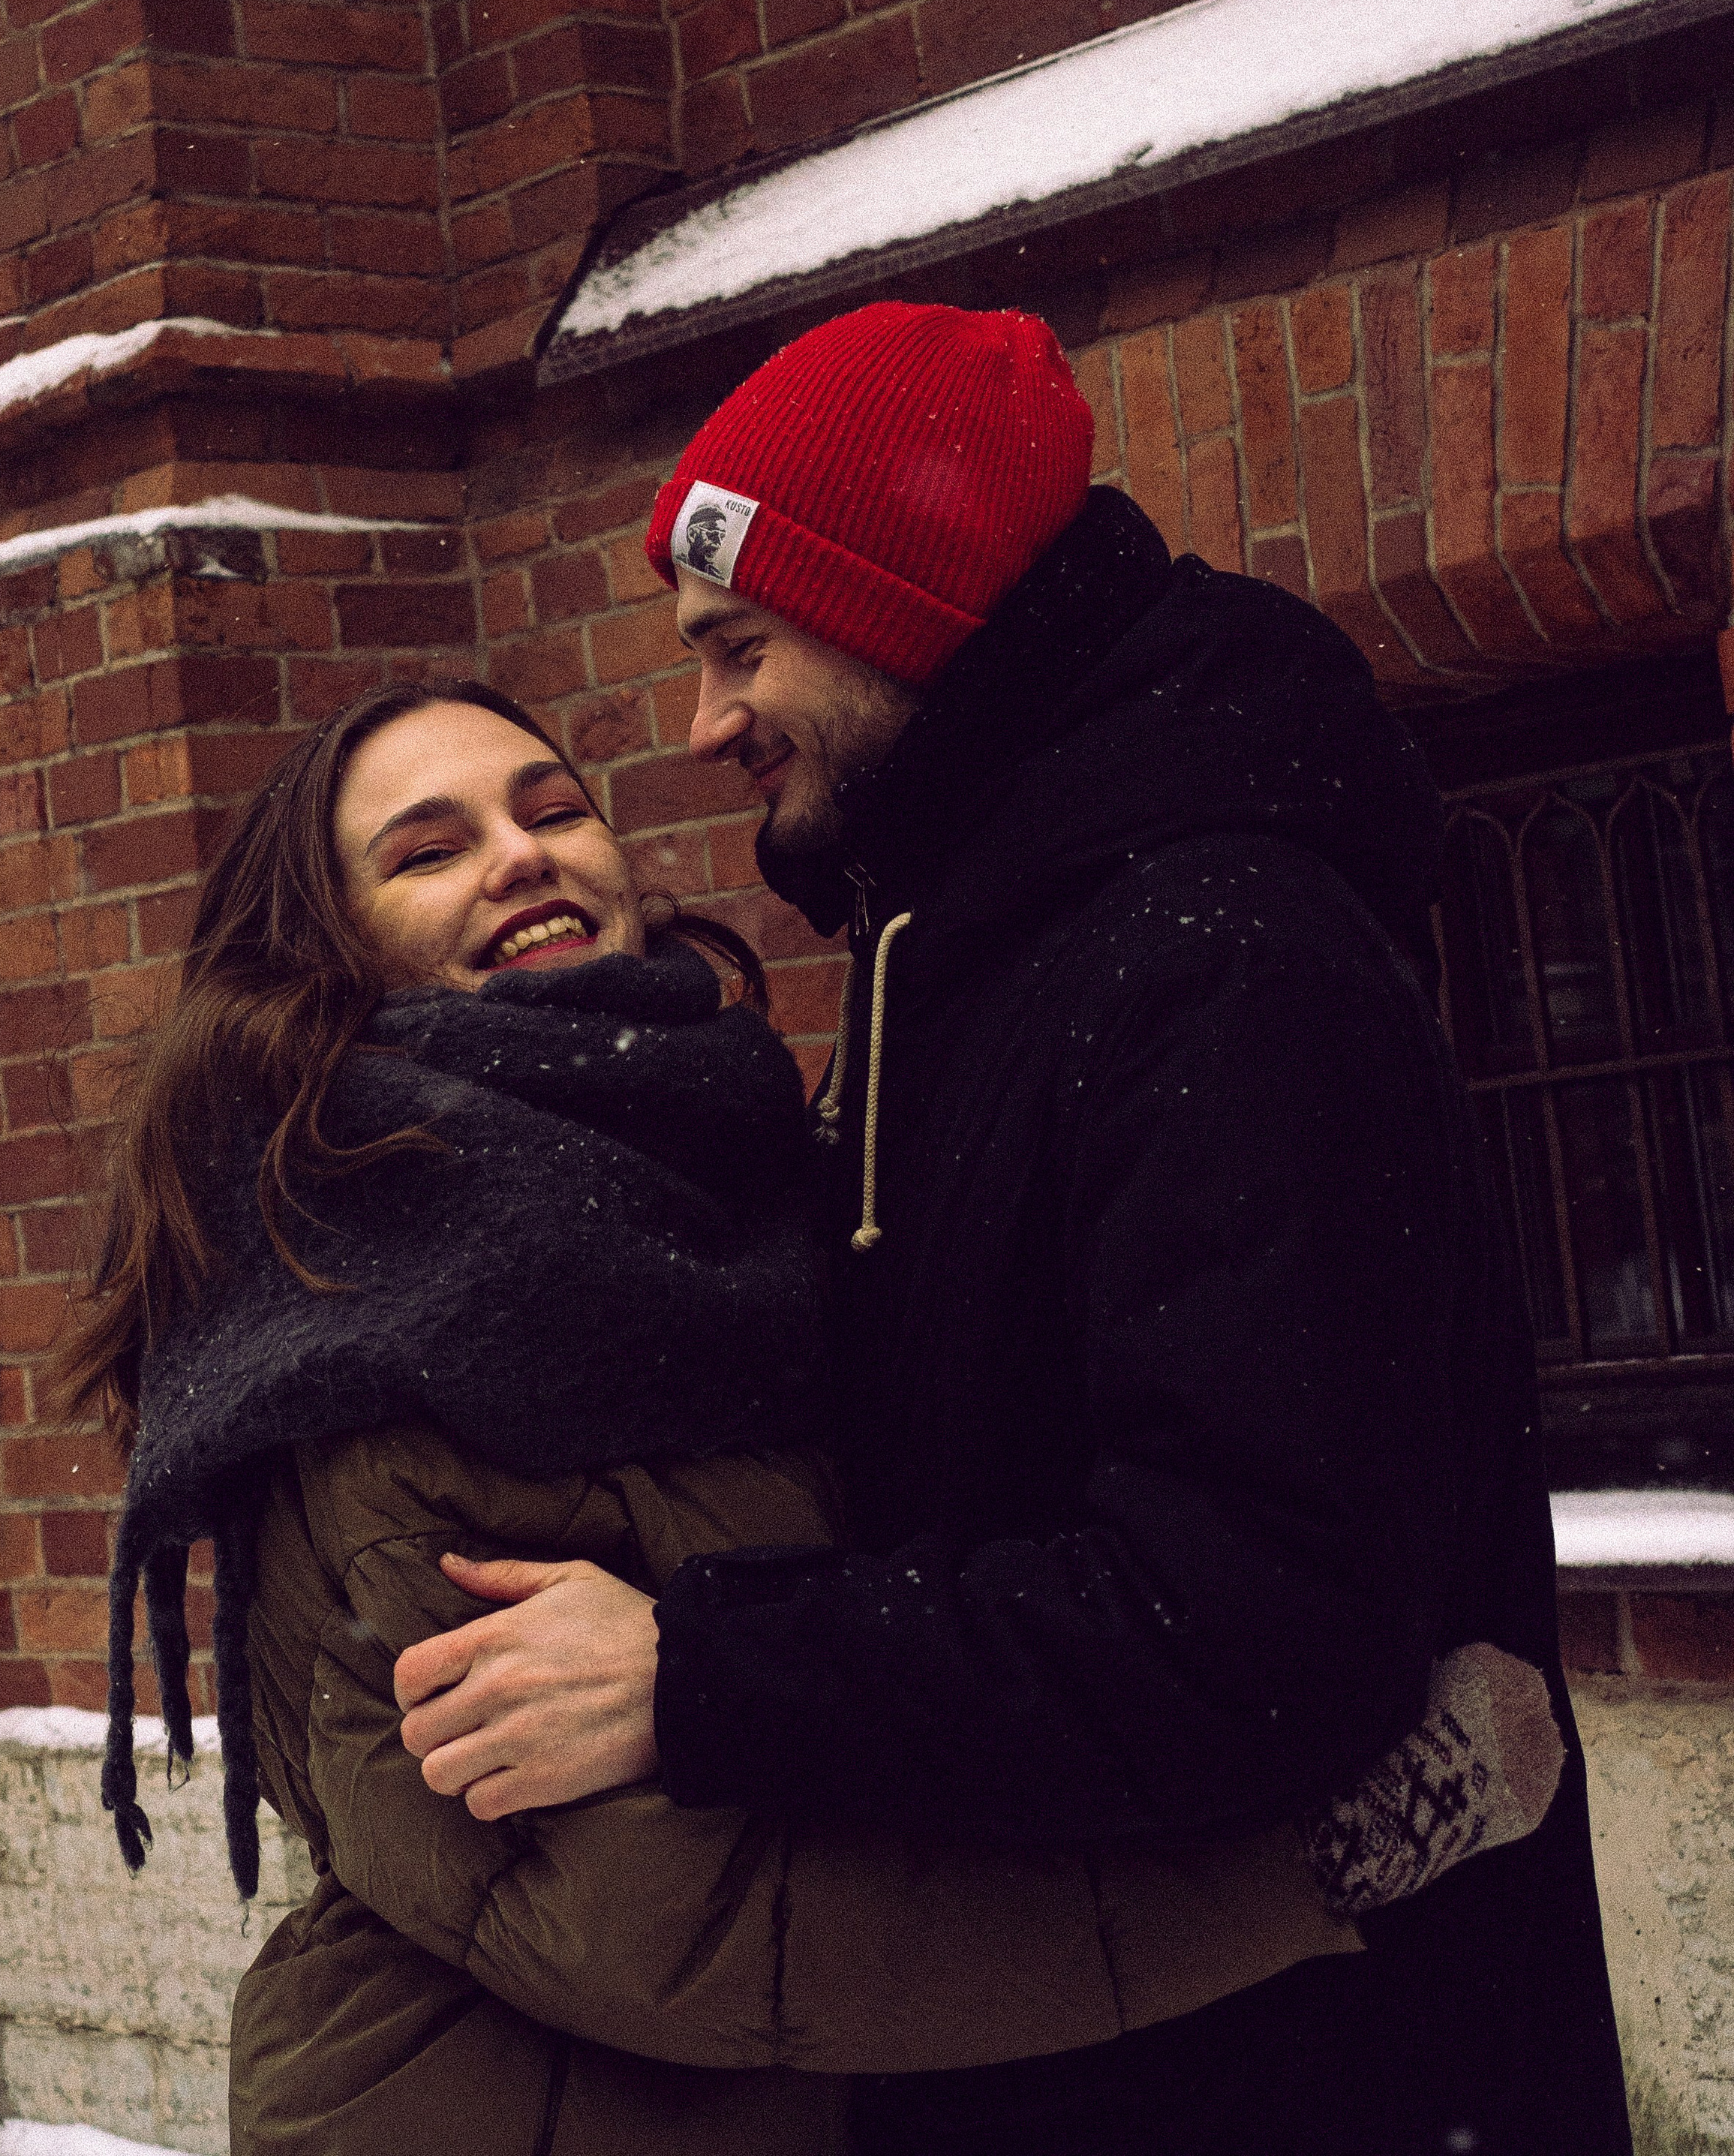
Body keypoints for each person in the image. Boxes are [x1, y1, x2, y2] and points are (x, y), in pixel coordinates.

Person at [391, 302, 1631, 2156]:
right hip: (1075, 2061)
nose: (705, 722)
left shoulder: (1213, 962)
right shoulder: (960, 952)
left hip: (1305, 2083)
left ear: (903, 603)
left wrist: (700, 1673)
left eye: (738, 648)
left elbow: (1253, 1624)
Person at [62, 676, 1562, 2156]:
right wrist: (1307, 1863)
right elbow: (660, 1918)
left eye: (551, 807)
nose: (520, 854)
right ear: (324, 955)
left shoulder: (748, 1171)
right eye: (426, 849)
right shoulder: (381, 1296)